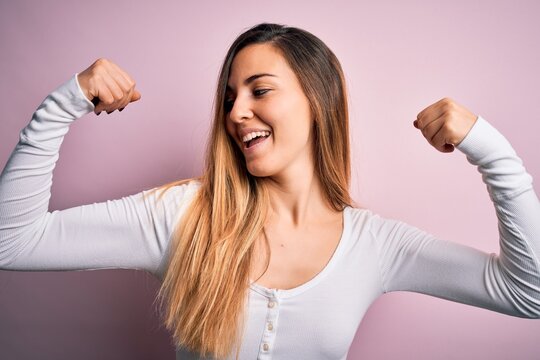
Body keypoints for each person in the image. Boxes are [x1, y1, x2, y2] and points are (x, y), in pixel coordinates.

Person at [0, 22, 539, 360]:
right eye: (230, 96)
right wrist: (63, 104)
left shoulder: (377, 245)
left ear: (317, 101)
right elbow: (11, 243)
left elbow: (529, 294)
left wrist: (489, 150)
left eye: (260, 91)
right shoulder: (182, 216)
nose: (235, 113)